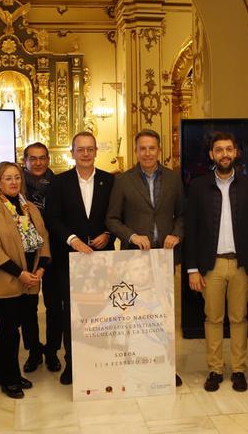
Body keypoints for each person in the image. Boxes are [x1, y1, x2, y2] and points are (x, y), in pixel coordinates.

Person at [184, 132, 248, 393]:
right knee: (213, 319)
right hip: (212, 265)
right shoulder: (198, 186)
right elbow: (192, 229)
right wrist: (193, 269)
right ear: (211, 155)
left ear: (236, 152)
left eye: (229, 149)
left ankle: (239, 369)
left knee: (240, 318)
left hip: (242, 264)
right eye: (219, 150)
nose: (224, 154)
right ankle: (215, 369)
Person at [106, 128, 185, 386]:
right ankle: (133, 366)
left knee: (163, 316)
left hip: (164, 258)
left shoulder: (174, 179)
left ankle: (164, 367)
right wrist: (131, 236)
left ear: (159, 150)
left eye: (152, 148)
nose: (148, 153)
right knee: (135, 317)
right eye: (142, 148)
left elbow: (183, 215)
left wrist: (176, 233)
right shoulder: (124, 180)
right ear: (136, 151)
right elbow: (112, 219)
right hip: (134, 261)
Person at [45, 132, 115, 385]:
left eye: (90, 149)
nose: (85, 154)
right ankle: (72, 364)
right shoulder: (59, 182)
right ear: (72, 153)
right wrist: (72, 239)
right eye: (80, 149)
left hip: (101, 259)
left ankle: (101, 359)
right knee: (72, 313)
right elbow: (52, 218)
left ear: (96, 151)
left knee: (101, 311)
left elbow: (116, 215)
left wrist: (108, 233)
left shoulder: (109, 181)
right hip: (69, 260)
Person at [0, 161, 52, 399]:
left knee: (17, 327)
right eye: (7, 178)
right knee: (8, 331)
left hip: (30, 280)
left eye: (17, 178)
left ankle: (12, 372)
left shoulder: (29, 207)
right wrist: (19, 273)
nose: (13, 182)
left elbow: (44, 238)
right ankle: (8, 378)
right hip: (6, 280)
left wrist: (40, 269)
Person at [21, 142, 58, 373]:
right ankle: (34, 351)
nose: (38, 163)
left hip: (54, 253)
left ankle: (53, 351)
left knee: (55, 305)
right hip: (26, 255)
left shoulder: (60, 184)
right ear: (24, 161)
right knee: (28, 307)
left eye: (42, 158)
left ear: (48, 160)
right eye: (32, 158)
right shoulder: (16, 185)